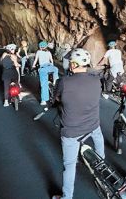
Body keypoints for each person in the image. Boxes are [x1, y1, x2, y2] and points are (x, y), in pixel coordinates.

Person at [50, 48, 105, 199]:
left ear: (73, 64)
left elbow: (56, 99)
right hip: (93, 125)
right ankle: (102, 166)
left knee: (69, 165)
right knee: (99, 138)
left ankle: (67, 197)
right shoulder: (96, 79)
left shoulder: (64, 81)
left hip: (72, 130)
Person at [32, 41, 59, 106]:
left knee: (44, 85)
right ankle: (55, 82)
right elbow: (51, 60)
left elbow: (36, 60)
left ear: (40, 47)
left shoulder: (38, 52)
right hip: (50, 66)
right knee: (56, 69)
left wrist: (33, 66)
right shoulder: (48, 52)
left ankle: (43, 100)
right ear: (46, 46)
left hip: (43, 68)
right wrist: (52, 66)